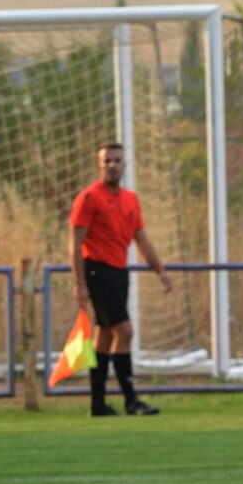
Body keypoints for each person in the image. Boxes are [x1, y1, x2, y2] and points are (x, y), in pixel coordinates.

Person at [69, 142, 172, 417]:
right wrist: (79, 284)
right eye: (107, 161)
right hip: (97, 271)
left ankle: (98, 404)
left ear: (125, 164)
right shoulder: (89, 197)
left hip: (118, 272)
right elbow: (75, 242)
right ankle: (131, 400)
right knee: (125, 332)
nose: (112, 165)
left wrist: (160, 270)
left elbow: (141, 238)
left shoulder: (130, 199)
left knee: (104, 337)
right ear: (99, 165)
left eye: (117, 160)